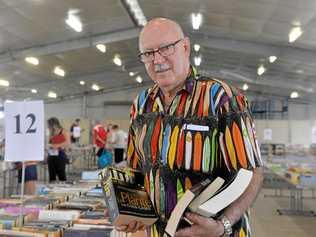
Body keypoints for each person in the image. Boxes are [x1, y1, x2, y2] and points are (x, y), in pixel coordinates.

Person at [124, 18, 264, 237]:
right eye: (148, 53)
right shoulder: (140, 105)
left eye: (166, 48)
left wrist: (223, 225)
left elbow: (252, 173)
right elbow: (134, 169)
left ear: (185, 47)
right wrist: (131, 212)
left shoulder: (222, 98)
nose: (157, 60)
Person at [47, 117, 70, 182]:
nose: (49, 127)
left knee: (61, 174)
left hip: (61, 155)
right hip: (51, 155)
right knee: (52, 175)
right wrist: (50, 146)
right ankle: (51, 190)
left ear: (54, 124)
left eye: (49, 125)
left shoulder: (64, 131)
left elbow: (68, 143)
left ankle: (63, 189)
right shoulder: (51, 133)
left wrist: (57, 145)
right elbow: (49, 143)